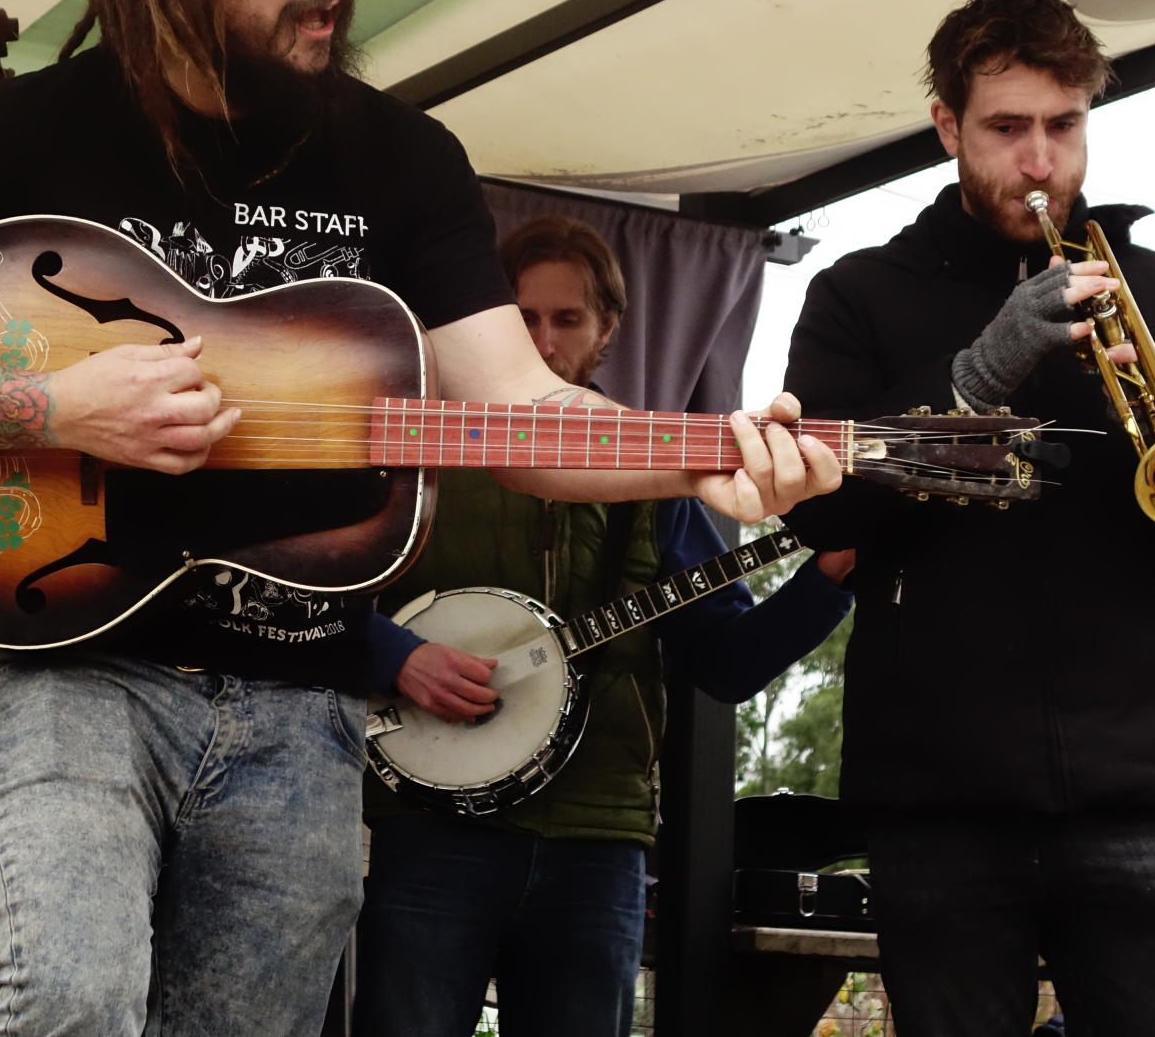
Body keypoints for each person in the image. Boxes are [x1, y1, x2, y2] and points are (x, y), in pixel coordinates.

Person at [0, 0, 844, 1037]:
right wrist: (50, 407)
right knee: (73, 998)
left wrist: (704, 458)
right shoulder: (26, 132)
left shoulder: (402, 158)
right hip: (67, 663)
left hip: (302, 698)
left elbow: (520, 409)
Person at [780, 0, 1155, 1036]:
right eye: (1007, 127)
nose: (1041, 161)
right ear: (947, 127)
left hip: (1136, 789)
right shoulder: (857, 294)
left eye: (1064, 125)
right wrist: (976, 374)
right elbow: (820, 518)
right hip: (938, 796)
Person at [355, 215, 856, 1037]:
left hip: (596, 842)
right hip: (431, 827)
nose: (544, 343)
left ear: (608, 329)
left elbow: (726, 661)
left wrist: (828, 578)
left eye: (568, 318)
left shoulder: (654, 476)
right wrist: (397, 656)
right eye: (523, 319)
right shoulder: (425, 457)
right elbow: (317, 596)